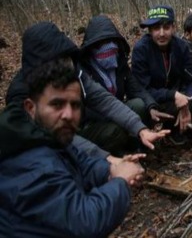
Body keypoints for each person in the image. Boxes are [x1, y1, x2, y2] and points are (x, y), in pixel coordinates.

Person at [0, 58, 146, 237]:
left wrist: (112, 169)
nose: (68, 115)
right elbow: (85, 223)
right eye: (57, 104)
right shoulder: (29, 161)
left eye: (75, 105)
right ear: (31, 108)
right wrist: (121, 181)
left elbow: (82, 163)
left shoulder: (47, 137)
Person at [5, 21, 168, 159]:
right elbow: (52, 137)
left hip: (79, 132)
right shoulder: (20, 95)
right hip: (46, 153)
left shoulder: (75, 72)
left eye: (67, 60)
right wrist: (107, 159)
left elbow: (105, 100)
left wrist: (140, 129)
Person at [79, 15, 173, 154]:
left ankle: (136, 146)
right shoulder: (83, 72)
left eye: (112, 41)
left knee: (140, 105)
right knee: (115, 131)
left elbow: (135, 88)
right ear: (92, 47)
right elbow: (86, 110)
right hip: (94, 122)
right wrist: (119, 117)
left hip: (118, 112)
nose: (108, 47)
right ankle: (114, 155)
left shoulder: (119, 63)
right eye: (102, 43)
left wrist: (151, 106)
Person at [131, 5, 192, 143]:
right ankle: (140, 138)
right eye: (157, 28)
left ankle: (177, 129)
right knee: (138, 105)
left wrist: (187, 104)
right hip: (152, 101)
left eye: (166, 27)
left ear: (173, 28)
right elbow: (140, 88)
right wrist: (172, 95)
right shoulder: (141, 49)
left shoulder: (181, 47)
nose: (162, 33)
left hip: (176, 99)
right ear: (150, 31)